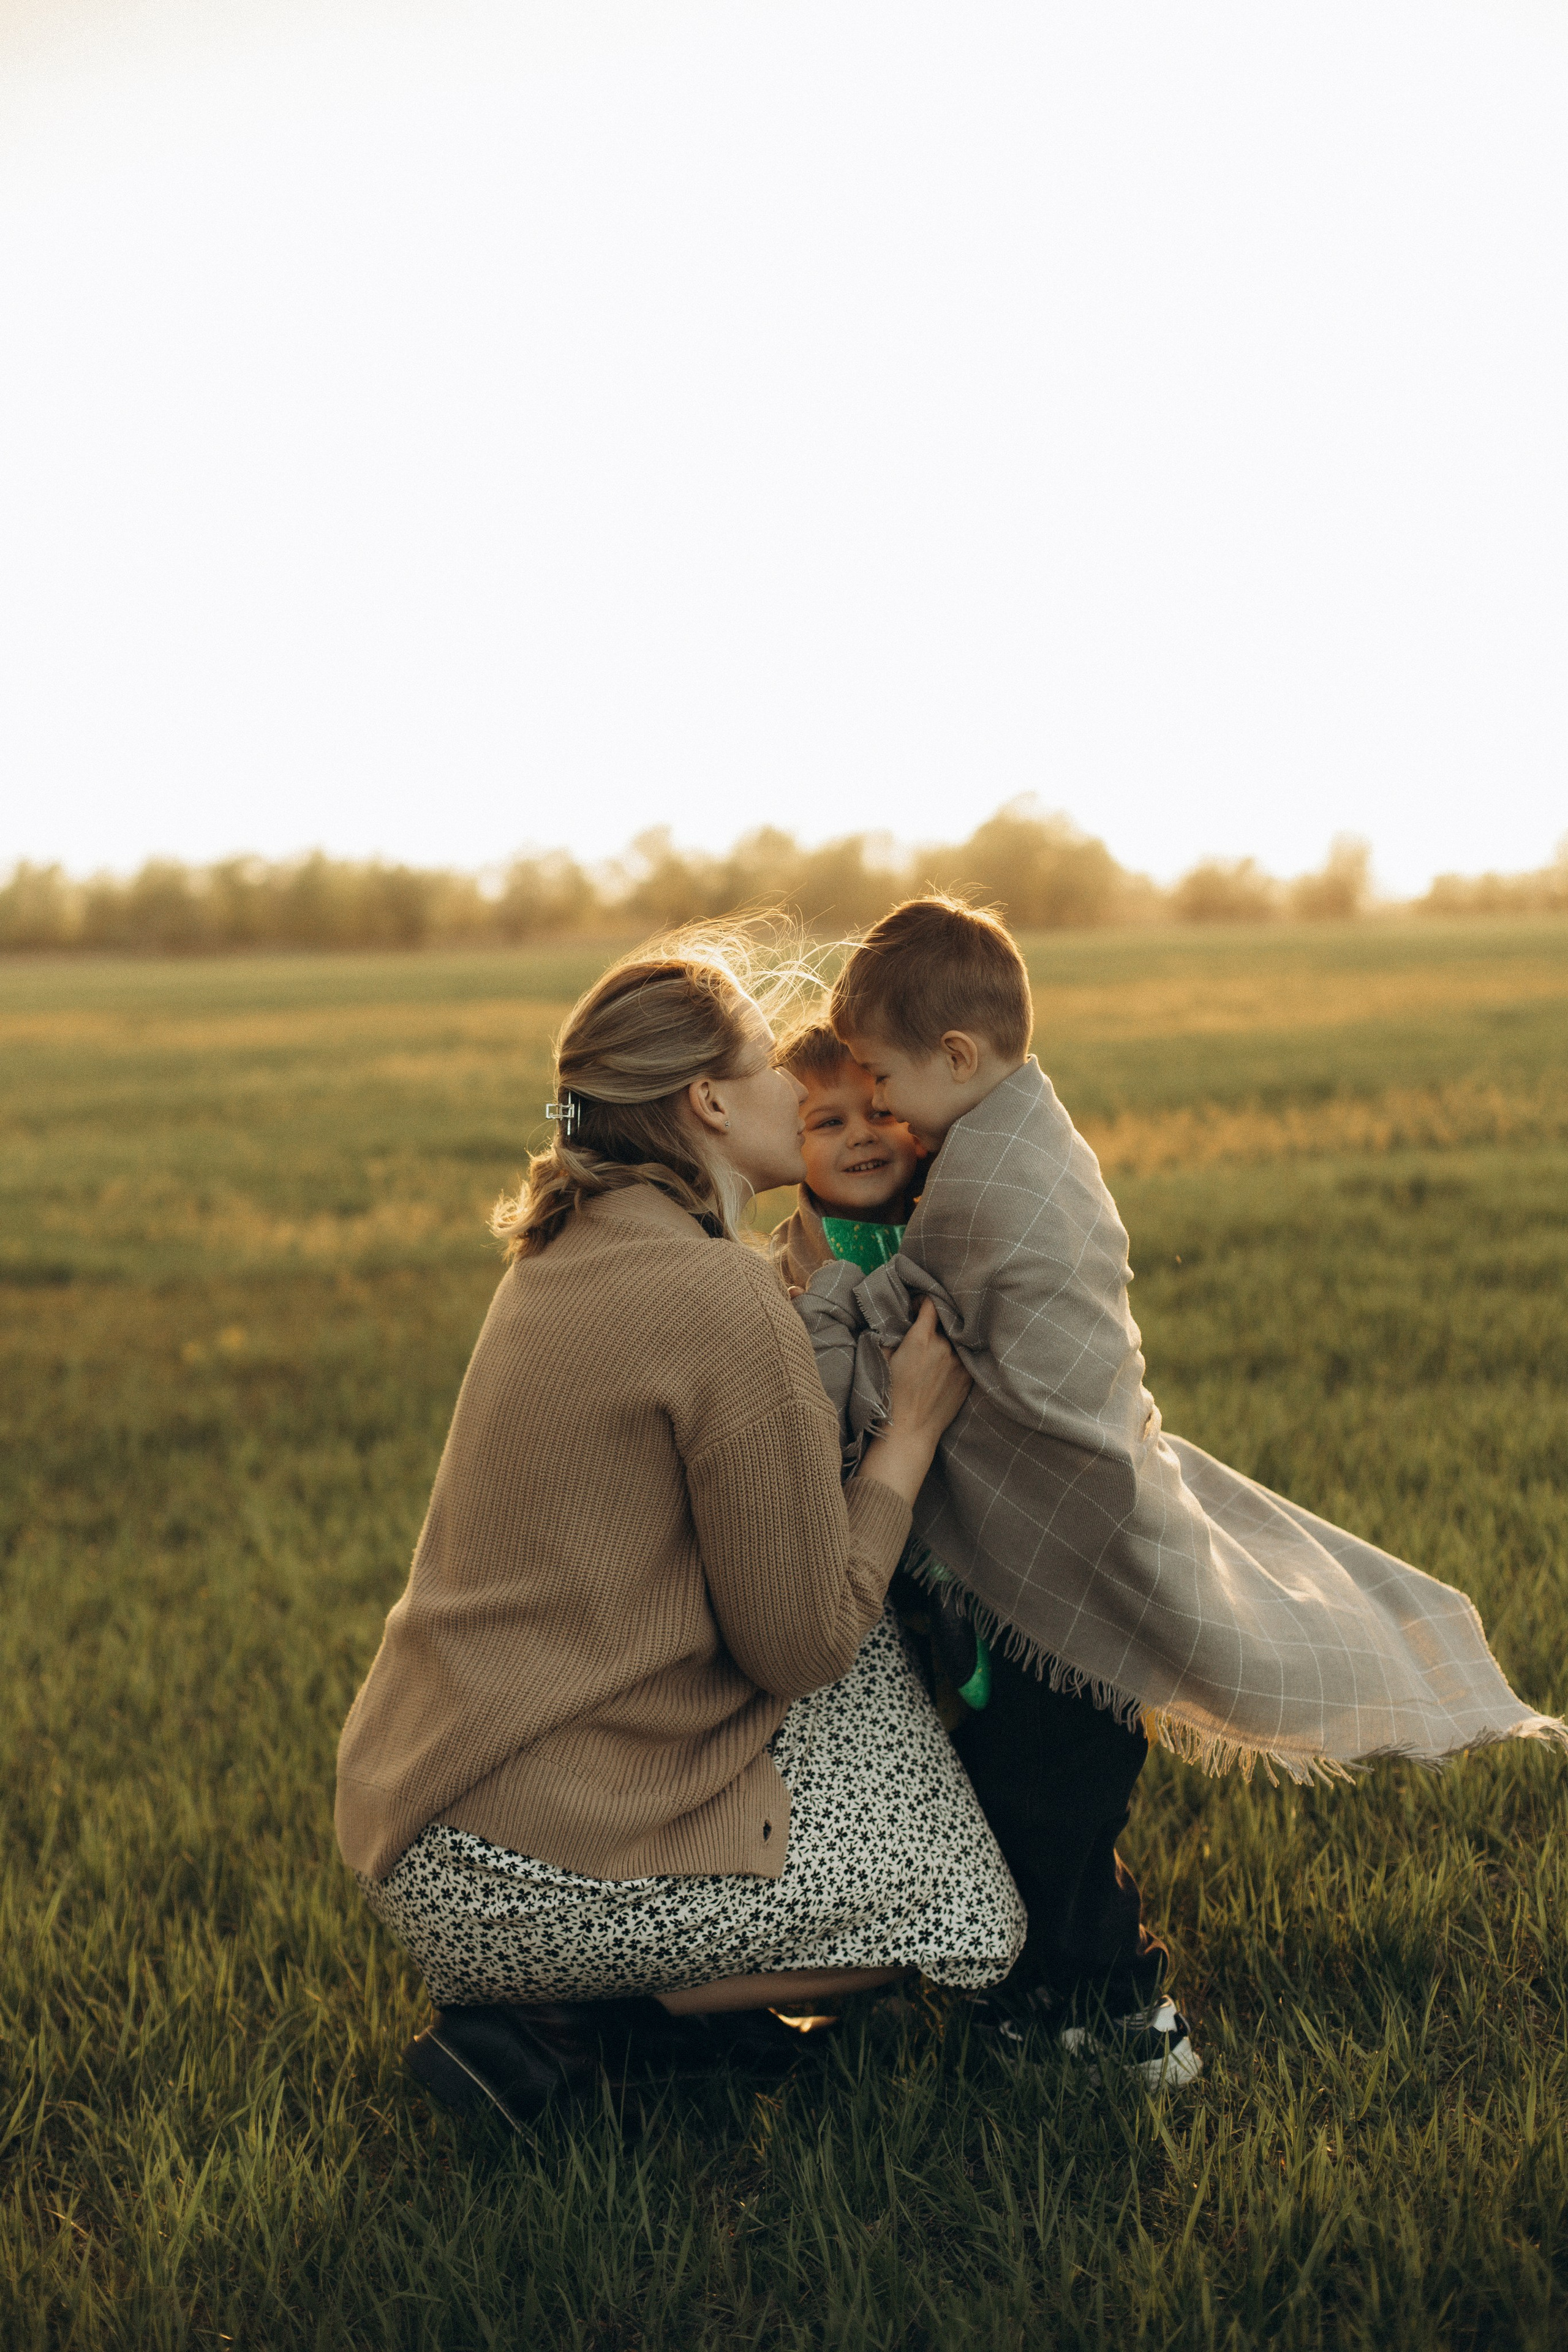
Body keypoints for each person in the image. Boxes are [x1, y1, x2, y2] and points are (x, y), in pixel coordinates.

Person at [802, 892, 1566, 2087]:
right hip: (1066, 1574)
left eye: (883, 1080)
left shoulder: (994, 1182)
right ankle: (1036, 2009)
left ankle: (1126, 2018)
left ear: (955, 1058)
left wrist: (814, 1297)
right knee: (1023, 1797)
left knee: (1047, 1810)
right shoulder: (1003, 1130)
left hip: (1086, 1555)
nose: (881, 1109)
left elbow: (915, 1329)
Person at [335, 931, 1025, 2130]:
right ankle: (581, 2027)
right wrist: (905, 1439)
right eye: (767, 1064)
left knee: (869, 1678)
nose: (801, 1089)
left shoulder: (568, 1247)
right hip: (527, 1872)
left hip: (424, 1818)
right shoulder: (717, 1300)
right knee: (974, 1917)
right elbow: (798, 1645)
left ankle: (586, 2001)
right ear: (707, 1101)